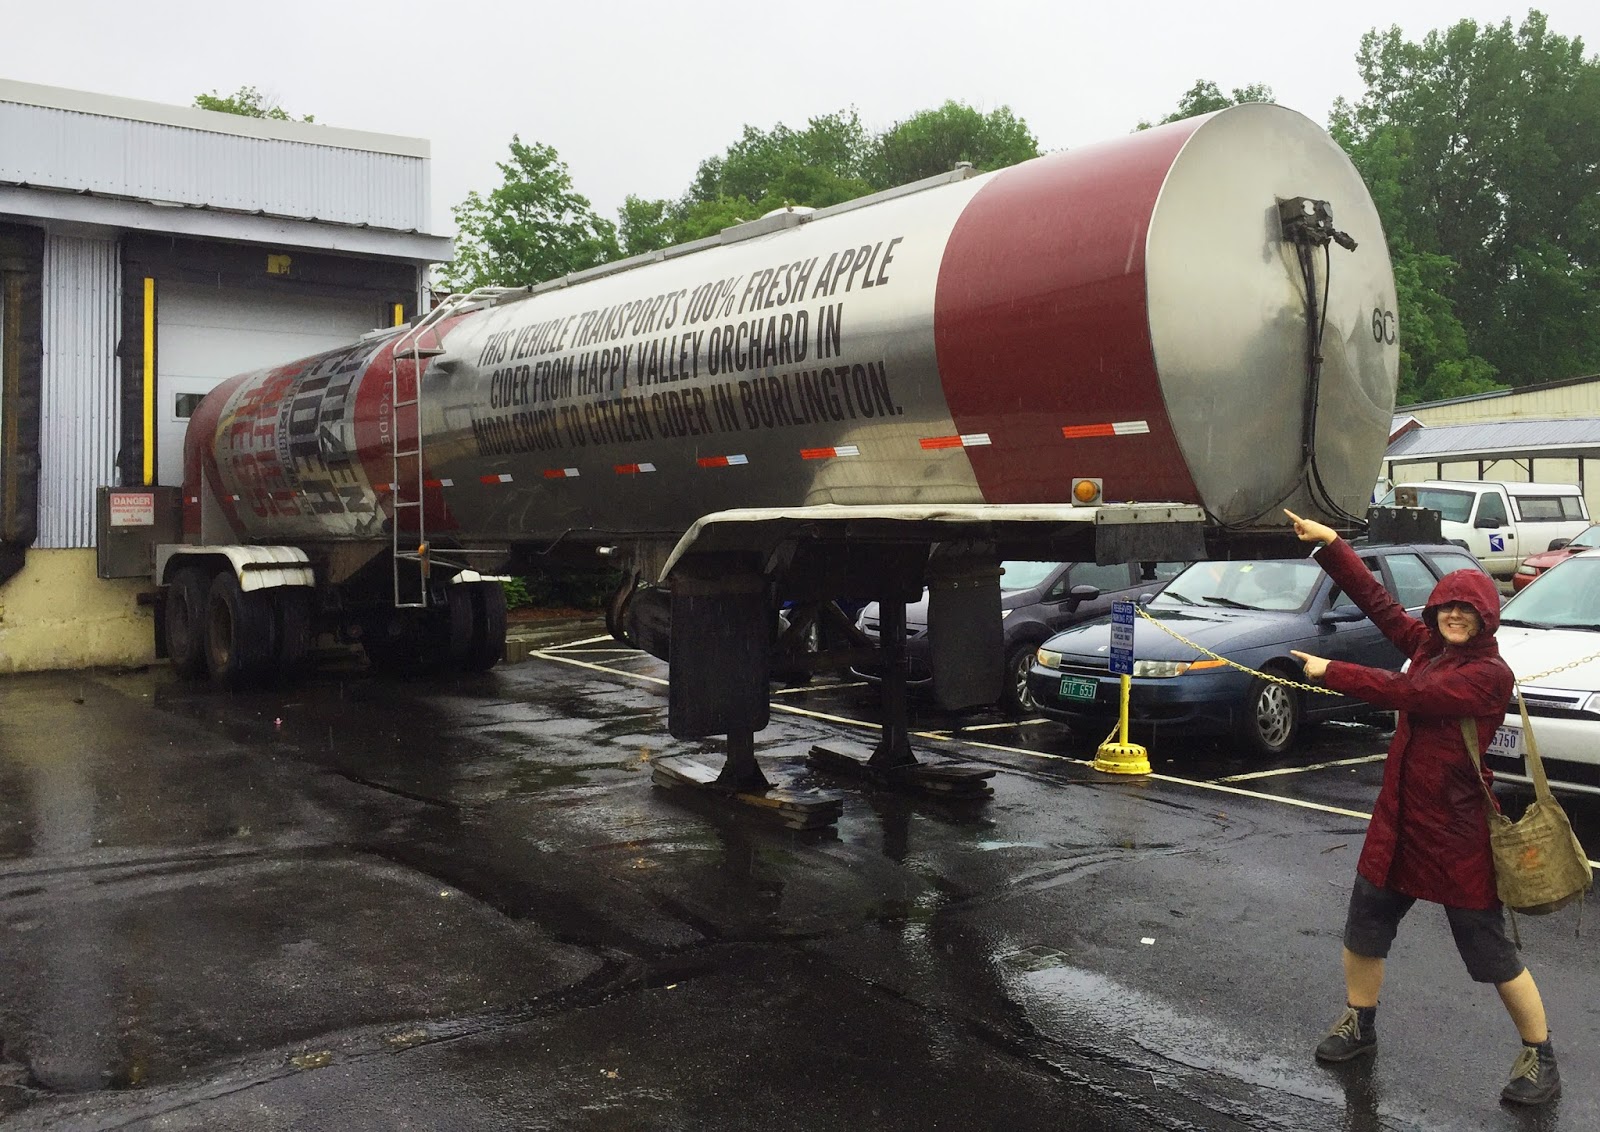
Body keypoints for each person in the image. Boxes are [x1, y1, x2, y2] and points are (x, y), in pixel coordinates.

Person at [1283, 508, 1560, 1107]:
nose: (1452, 616)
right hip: (1398, 819)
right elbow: (1382, 607)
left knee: (1486, 948)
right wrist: (1332, 544)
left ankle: (1541, 1054)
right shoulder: (1429, 646)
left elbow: (1407, 692)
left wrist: (1332, 671)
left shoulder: (1488, 674)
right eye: (1443, 608)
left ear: (1486, 617)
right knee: (1366, 923)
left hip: (1456, 832)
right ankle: (1360, 1022)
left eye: (1466, 610)